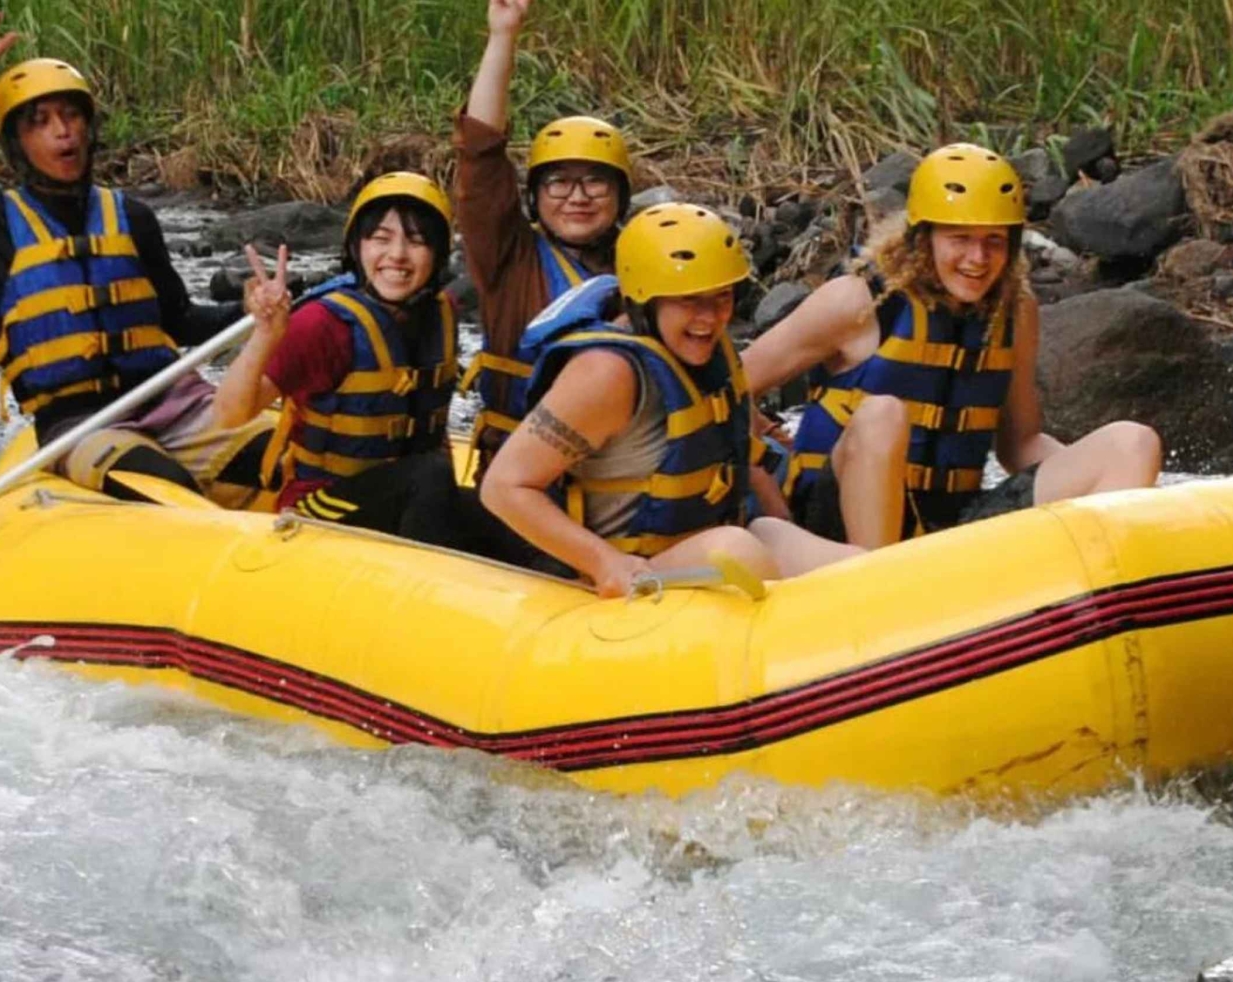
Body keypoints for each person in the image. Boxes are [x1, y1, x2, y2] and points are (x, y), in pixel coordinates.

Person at [0, 13, 277, 508]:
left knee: (286, 459)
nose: (62, 132)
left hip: (176, 405)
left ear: (89, 128)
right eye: (40, 122)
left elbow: (176, 322)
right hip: (81, 426)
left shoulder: (131, 217)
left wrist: (250, 312)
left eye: (71, 116)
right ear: (17, 143)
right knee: (160, 484)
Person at [741, 143, 1163, 548]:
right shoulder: (856, 301)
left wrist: (1089, 478)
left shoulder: (1013, 314)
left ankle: (1093, 596)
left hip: (951, 524)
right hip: (836, 528)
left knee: (1131, 443)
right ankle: (873, 586)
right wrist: (769, 493)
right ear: (922, 238)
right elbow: (725, 389)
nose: (977, 258)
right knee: (882, 414)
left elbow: (1020, 445)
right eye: (959, 238)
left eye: (994, 240)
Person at [480, 204, 860, 597]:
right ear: (645, 300)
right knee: (737, 548)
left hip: (706, 552)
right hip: (625, 582)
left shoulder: (708, 349)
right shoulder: (607, 373)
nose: (709, 318)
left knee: (849, 564)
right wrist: (603, 563)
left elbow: (736, 451)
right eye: (689, 300)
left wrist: (782, 511)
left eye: (722, 297)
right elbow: (504, 486)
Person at [212, 172, 475, 545]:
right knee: (430, 475)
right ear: (357, 248)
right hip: (320, 509)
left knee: (491, 510)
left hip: (405, 495)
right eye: (380, 239)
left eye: (416, 241)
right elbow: (228, 415)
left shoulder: (442, 313)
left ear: (437, 256)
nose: (397, 255)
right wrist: (265, 335)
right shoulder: (325, 323)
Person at [454, 0, 633, 471]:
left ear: (620, 196)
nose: (578, 197)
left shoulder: (643, 265)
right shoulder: (510, 258)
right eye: (558, 182)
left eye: (595, 181)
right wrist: (503, 37)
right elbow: (480, 153)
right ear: (534, 197)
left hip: (617, 477)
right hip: (523, 481)